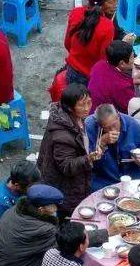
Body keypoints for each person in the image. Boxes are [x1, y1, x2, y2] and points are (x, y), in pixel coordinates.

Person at [36, 83, 98, 217]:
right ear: (70, 107)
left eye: (89, 103)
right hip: (64, 185)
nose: (87, 108)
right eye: (82, 105)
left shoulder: (74, 119)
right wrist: (88, 159)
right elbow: (67, 166)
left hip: (75, 180)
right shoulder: (62, 135)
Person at [0, 184, 62, 266]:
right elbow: (60, 250)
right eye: (54, 208)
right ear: (41, 210)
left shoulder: (13, 211)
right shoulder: (46, 231)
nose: (56, 210)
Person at [87, 40, 137, 116]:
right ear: (122, 63)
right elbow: (132, 107)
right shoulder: (121, 86)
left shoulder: (99, 64)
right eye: (132, 57)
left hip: (91, 109)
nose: (134, 60)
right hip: (103, 119)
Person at [0, 162, 42, 231]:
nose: (33, 189)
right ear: (17, 185)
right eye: (30, 187)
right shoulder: (1, 203)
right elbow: (5, 229)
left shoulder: (14, 182)